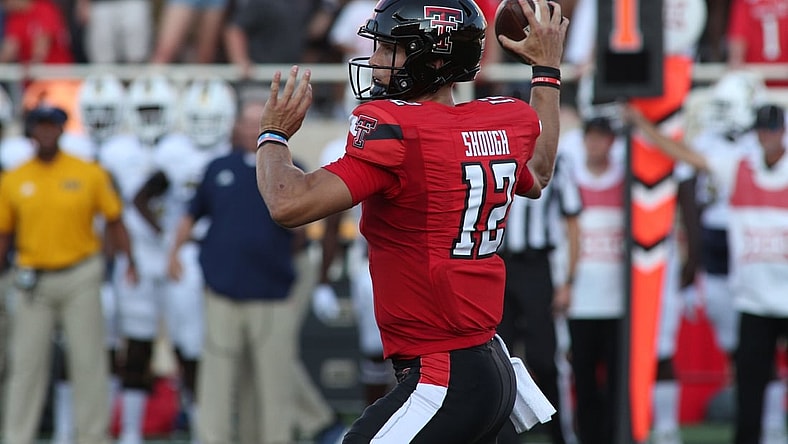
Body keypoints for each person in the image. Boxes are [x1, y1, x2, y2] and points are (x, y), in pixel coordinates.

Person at [255, 0, 568, 441]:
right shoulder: (501, 121)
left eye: (389, 50)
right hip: (487, 364)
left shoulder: (400, 131)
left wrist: (273, 134)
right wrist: (547, 72)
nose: (376, 61)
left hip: (444, 372)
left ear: (434, 58)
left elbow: (287, 202)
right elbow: (539, 170)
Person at [627, 102, 788, 444]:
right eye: (763, 130)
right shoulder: (738, 166)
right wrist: (645, 125)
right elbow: (687, 157)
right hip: (754, 298)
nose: (767, 137)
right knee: (749, 382)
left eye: (772, 130)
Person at [0, 105, 137, 444]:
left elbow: (114, 219)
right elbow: (4, 233)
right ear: (31, 133)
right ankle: (17, 436)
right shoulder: (14, 178)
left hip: (80, 274)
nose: (47, 133)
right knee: (26, 365)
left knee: (89, 361)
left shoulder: (88, 172)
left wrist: (129, 261)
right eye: (41, 127)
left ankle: (93, 436)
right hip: (33, 278)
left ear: (62, 131)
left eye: (53, 127)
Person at [496, 151, 581, 444]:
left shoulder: (556, 159)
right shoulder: (492, 150)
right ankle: (504, 436)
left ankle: (561, 434)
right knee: (497, 355)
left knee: (545, 357)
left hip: (536, 266)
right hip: (498, 262)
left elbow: (573, 220)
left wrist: (568, 280)